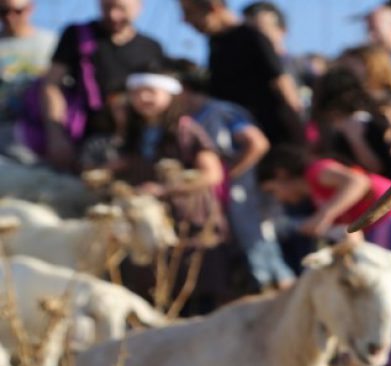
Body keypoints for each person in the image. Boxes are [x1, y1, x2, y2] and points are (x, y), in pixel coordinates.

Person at [112, 68, 231, 315]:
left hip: (190, 223)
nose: (143, 98)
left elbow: (212, 174)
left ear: (170, 94)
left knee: (195, 293)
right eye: (136, 92)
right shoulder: (135, 132)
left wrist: (165, 189)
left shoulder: (186, 130)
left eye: (150, 91)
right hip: (150, 227)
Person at [176, 62, 294, 292]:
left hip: (242, 190)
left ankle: (278, 291)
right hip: (220, 195)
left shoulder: (221, 111)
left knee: (257, 243)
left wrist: (230, 174)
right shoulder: (191, 118)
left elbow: (257, 143)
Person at [39, 0, 165, 171]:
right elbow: (52, 84)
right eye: (107, 7)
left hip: (136, 144)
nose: (113, 15)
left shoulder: (151, 48)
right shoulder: (77, 36)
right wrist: (56, 135)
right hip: (84, 137)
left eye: (121, 8)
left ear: (139, 6)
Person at [256, 144, 391, 265]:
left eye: (272, 191)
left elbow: (358, 181)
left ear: (281, 174)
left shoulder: (316, 171)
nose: (278, 198)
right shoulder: (319, 195)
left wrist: (322, 217)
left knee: (381, 278)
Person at [179, 0, 304, 148]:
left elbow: (282, 85)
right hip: (234, 140)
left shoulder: (251, 37)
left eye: (189, 12)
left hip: (271, 138)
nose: (185, 20)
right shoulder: (216, 42)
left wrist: (301, 137)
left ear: (214, 7)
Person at [0, 0, 55, 159]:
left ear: (30, 9)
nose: (10, 17)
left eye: (17, 11)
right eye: (3, 11)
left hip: (43, 131)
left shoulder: (51, 43)